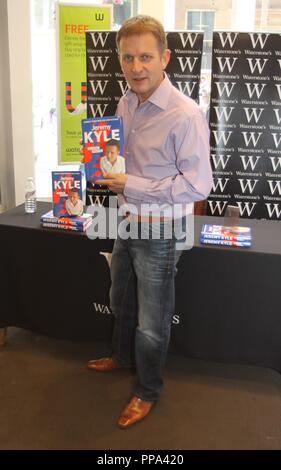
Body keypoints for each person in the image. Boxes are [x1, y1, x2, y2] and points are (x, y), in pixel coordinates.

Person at [86, 15, 213, 429]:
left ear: (165, 58)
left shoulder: (185, 114)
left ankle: (147, 390)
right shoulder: (125, 101)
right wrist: (106, 170)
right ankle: (122, 357)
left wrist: (132, 184)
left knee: (153, 322)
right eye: (128, 57)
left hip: (161, 229)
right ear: (120, 61)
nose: (136, 66)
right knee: (120, 297)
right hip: (125, 218)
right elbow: (121, 158)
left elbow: (198, 186)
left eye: (145, 56)